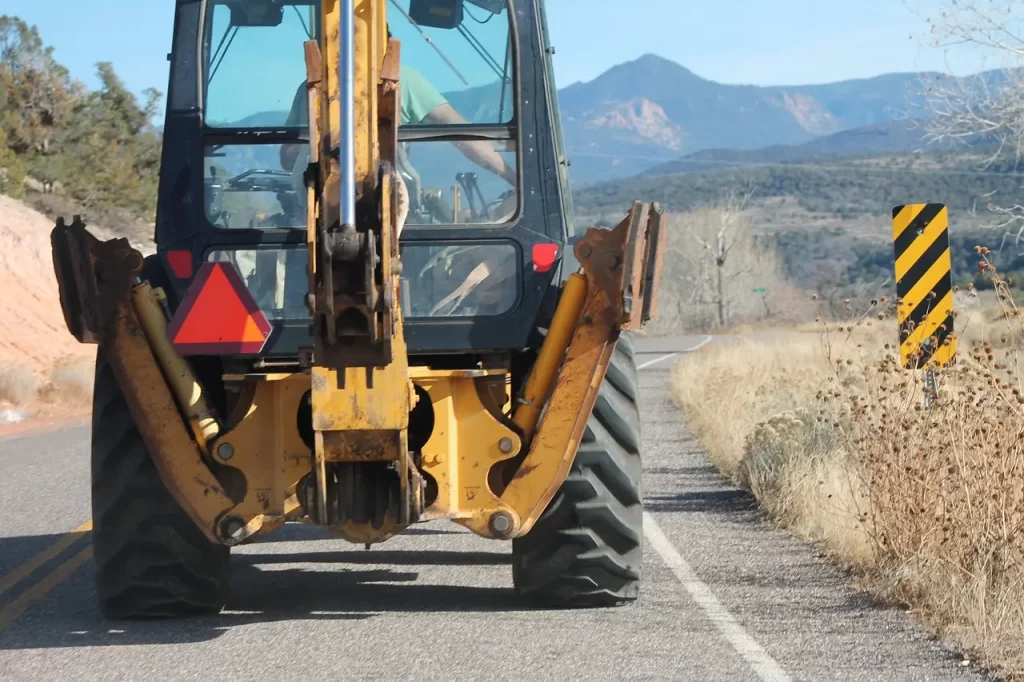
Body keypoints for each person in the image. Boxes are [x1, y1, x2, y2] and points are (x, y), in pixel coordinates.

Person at [279, 64, 515, 187]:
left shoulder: (311, 88)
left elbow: (287, 159)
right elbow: (462, 134)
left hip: (313, 213)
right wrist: (513, 179)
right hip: (394, 209)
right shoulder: (403, 80)